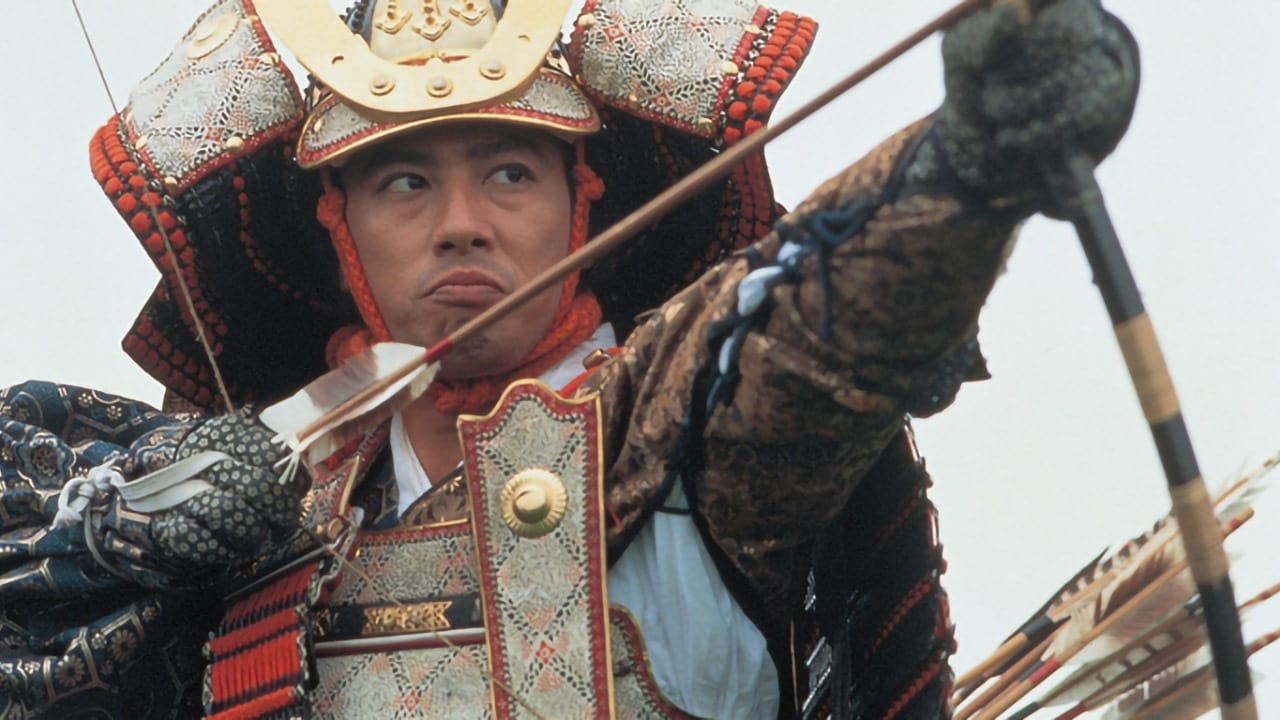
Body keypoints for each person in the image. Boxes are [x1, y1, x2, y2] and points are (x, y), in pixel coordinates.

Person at [0, 0, 1138, 717]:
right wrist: (108, 526)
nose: (461, 223)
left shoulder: (687, 425)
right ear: (338, 227)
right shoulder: (253, 513)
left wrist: (961, 167)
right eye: (405, 182)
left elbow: (810, 315)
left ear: (581, 200)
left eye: (509, 172)